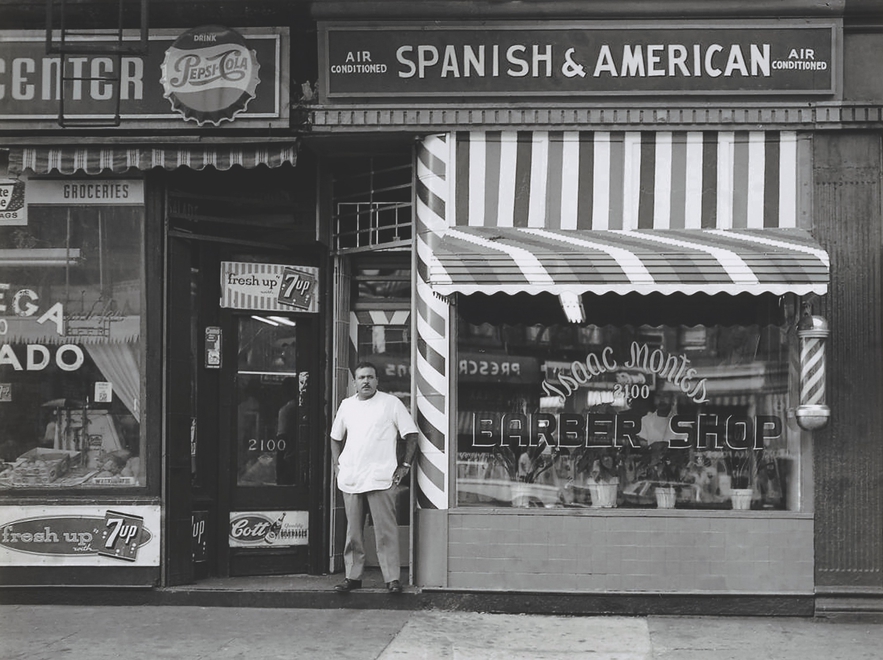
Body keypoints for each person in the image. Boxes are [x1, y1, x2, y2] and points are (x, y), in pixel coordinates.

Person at [330, 361, 418, 594]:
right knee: (353, 532)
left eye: (370, 377)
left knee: (385, 531)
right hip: (352, 477)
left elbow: (411, 435)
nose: (366, 381)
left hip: (381, 477)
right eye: (361, 378)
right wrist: (338, 465)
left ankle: (392, 579)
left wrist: (405, 465)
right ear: (355, 382)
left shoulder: (391, 403)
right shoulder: (346, 406)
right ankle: (353, 576)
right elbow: (335, 437)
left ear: (377, 381)